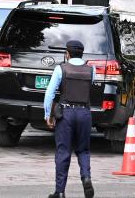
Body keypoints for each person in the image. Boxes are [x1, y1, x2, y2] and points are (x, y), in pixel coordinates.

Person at [43, 40, 95, 198]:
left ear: (67, 53)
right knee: (84, 150)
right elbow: (90, 86)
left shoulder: (61, 69)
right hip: (85, 113)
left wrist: (48, 114)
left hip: (66, 114)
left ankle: (60, 192)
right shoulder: (91, 70)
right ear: (81, 53)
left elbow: (50, 93)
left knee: (63, 152)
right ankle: (86, 177)